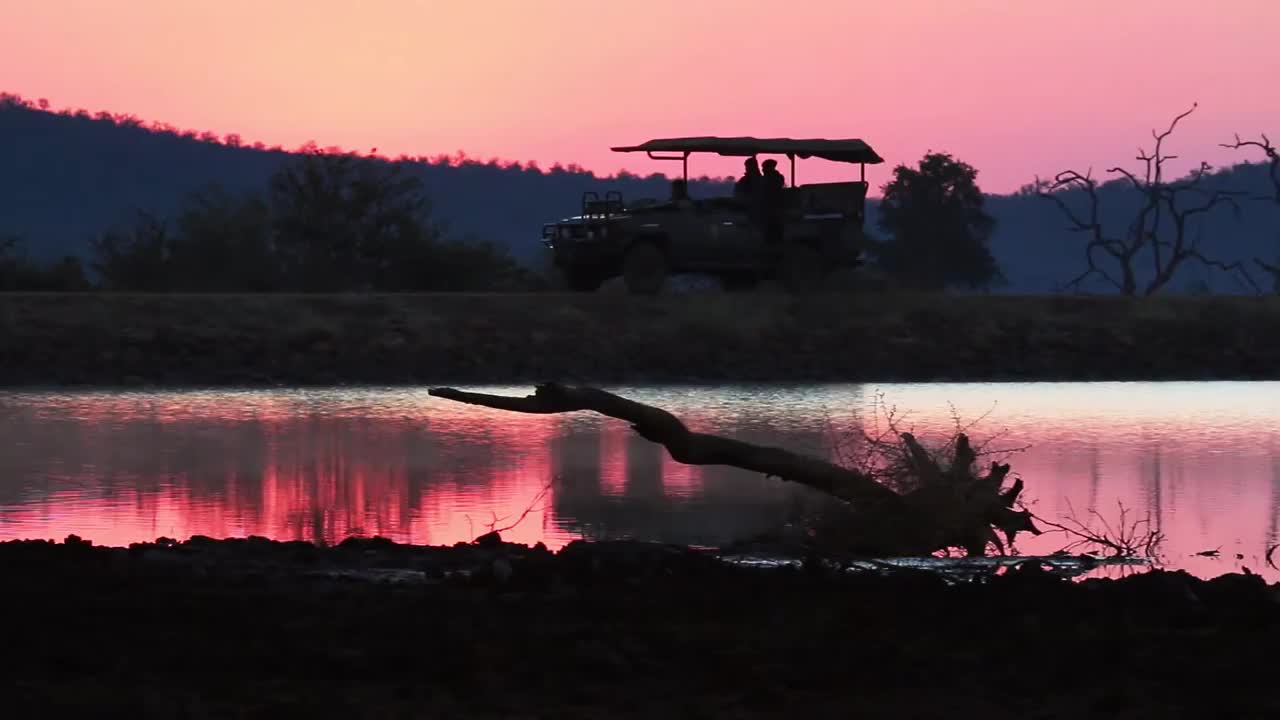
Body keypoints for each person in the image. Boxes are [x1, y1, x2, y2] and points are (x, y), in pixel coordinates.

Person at [760, 159, 786, 247]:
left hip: (772, 207)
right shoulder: (776, 177)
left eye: (764, 168)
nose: (763, 170)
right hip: (774, 207)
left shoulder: (771, 179)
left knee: (772, 227)